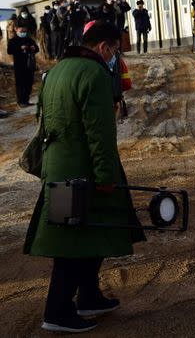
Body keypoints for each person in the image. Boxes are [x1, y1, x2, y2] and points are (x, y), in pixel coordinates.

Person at [23, 21, 145, 333]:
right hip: (84, 169)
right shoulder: (95, 74)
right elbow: (100, 134)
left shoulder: (58, 70)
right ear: (104, 47)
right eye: (115, 49)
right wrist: (105, 175)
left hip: (58, 167)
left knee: (89, 233)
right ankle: (58, 311)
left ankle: (89, 295)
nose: (116, 55)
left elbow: (42, 120)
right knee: (73, 241)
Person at [7, 24, 39, 106]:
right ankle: (20, 101)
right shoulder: (13, 40)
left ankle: (26, 100)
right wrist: (20, 48)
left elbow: (37, 48)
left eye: (24, 31)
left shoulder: (29, 39)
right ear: (16, 30)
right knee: (20, 84)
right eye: (21, 31)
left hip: (29, 65)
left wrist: (34, 48)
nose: (23, 33)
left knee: (29, 83)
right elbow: (9, 51)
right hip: (19, 65)